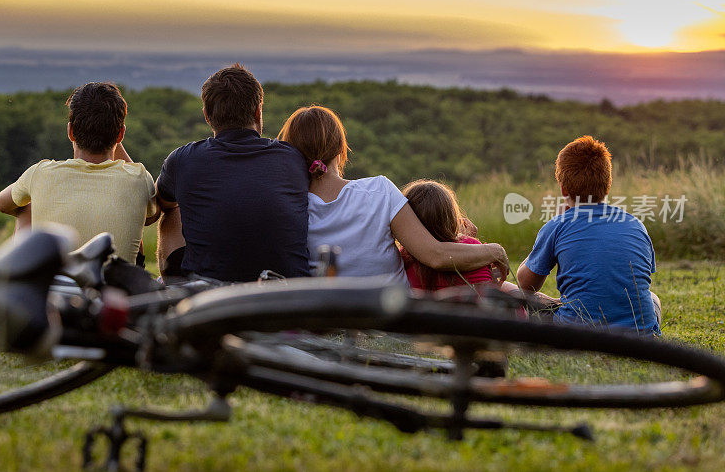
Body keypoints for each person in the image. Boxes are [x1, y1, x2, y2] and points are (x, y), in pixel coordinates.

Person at [277, 105, 509, 284]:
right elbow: (435, 255)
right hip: (390, 315)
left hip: (327, 316)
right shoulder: (379, 190)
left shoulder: (287, 207)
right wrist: (494, 250)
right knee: (508, 290)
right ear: (340, 149)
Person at [155, 64, 309, 282]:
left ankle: (174, 285)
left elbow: (162, 202)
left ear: (207, 116)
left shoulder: (182, 160)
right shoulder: (293, 158)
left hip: (209, 296)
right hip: (284, 295)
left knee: (172, 211)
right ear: (258, 111)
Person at [0, 82, 158, 264]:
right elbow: (152, 217)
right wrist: (109, 133)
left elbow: (1, 203)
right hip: (114, 286)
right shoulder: (139, 177)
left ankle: (25, 275)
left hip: (54, 287)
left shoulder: (39, 173)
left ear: (70, 131)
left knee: (25, 205)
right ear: (121, 135)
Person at [516, 135, 661, 334]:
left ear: (563, 188)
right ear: (607, 184)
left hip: (578, 334)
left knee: (521, 304)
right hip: (639, 336)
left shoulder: (557, 226)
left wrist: (547, 233)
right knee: (654, 299)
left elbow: (525, 285)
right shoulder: (636, 225)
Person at [399, 179, 494, 291]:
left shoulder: (404, 258)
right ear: (451, 216)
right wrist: (468, 241)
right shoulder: (477, 249)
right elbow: (492, 284)